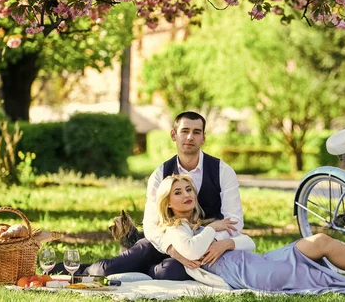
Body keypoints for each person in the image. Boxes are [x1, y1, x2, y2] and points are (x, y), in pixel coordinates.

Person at [157, 174, 345, 296]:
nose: (185, 195)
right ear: (168, 203)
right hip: (251, 274)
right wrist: (213, 230)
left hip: (259, 259)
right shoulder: (176, 228)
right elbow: (192, 252)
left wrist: (227, 241)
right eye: (177, 193)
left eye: (188, 190)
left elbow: (248, 242)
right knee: (327, 278)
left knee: (321, 241)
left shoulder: (202, 226)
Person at [75, 111, 244, 280]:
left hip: (206, 248)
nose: (190, 137)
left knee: (170, 273)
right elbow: (150, 224)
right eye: (185, 131)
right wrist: (172, 250)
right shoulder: (160, 173)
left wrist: (211, 244)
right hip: (164, 243)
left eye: (196, 132)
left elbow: (234, 220)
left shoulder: (223, 171)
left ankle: (145, 271)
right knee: (104, 271)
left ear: (203, 138)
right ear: (174, 134)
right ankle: (71, 270)